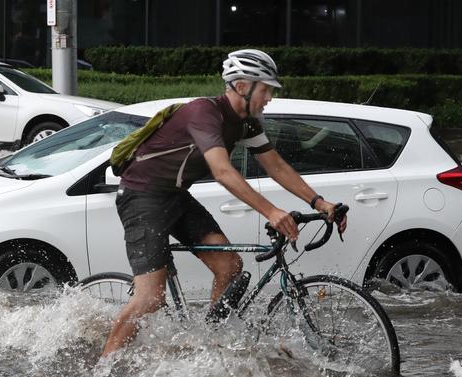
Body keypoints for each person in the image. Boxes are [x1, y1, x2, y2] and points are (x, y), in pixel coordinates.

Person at [101, 49, 347, 358]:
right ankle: (103, 368)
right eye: (266, 89)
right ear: (243, 86)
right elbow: (222, 171)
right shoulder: (204, 113)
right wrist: (271, 211)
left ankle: (210, 346)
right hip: (141, 196)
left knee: (230, 265)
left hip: (175, 197)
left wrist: (320, 202)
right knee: (152, 298)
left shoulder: (248, 123)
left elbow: (276, 166)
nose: (269, 97)